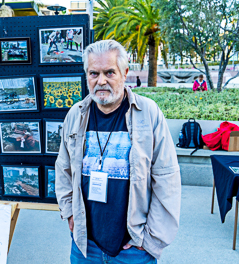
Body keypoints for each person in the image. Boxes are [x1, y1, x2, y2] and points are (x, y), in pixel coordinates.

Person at [55, 40, 181, 263]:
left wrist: (151, 239)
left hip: (134, 248)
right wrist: (70, 212)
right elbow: (63, 168)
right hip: (85, 245)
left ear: (124, 73)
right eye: (94, 73)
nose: (101, 81)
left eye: (109, 72)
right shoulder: (76, 115)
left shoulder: (148, 113)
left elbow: (167, 177)